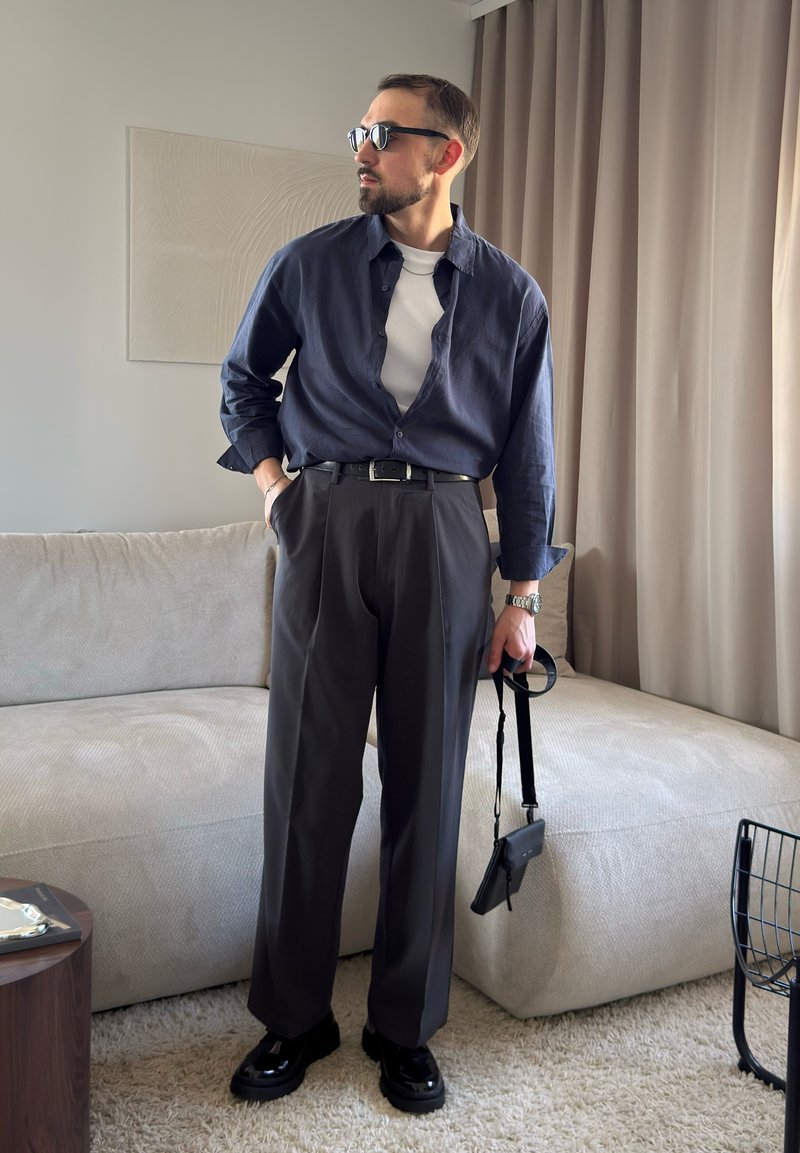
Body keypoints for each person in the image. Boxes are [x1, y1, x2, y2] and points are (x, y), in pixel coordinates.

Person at [218, 73, 565, 1114]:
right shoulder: (310, 263)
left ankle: (403, 1027)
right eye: (358, 130)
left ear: (443, 154)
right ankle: (293, 1017)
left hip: (447, 536)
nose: (360, 148)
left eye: (381, 133)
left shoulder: (510, 295)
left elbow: (529, 456)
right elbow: (242, 381)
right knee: (308, 782)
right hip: (323, 525)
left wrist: (523, 595)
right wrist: (279, 493)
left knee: (426, 784)